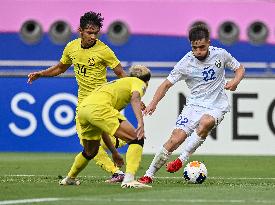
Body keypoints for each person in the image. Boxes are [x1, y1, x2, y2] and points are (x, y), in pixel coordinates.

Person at [27, 11, 128, 183]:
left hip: (100, 101)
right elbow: (60, 68)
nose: (93, 36)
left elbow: (120, 72)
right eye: (90, 32)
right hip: (83, 104)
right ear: (80, 30)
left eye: (96, 33)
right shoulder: (71, 47)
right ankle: (119, 149)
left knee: (90, 143)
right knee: (93, 142)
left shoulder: (104, 50)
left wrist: (134, 92)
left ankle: (116, 169)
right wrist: (41, 74)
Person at [138, 25, 245, 184]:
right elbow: (166, 84)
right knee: (175, 139)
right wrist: (153, 103)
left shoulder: (220, 55)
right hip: (193, 106)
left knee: (206, 122)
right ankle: (149, 174)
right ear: (191, 46)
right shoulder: (186, 63)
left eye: (202, 47)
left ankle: (181, 159)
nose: (198, 51)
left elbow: (240, 68)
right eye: (195, 48)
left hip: (216, 106)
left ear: (209, 42)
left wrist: (235, 81)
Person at [60, 65, 152, 188]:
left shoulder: (118, 84)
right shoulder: (139, 82)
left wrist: (114, 152)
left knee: (90, 151)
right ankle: (129, 180)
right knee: (136, 138)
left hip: (83, 110)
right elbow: (135, 98)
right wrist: (140, 123)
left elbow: (102, 127)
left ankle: (70, 178)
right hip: (99, 108)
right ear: (146, 81)